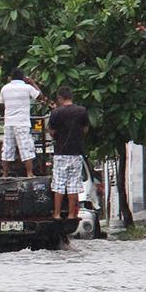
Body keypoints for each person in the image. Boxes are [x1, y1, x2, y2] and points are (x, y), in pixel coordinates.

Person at [48, 86, 89, 220]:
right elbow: (85, 130)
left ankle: (57, 214)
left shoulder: (56, 113)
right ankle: (72, 214)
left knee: (59, 185)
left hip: (60, 153)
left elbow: (52, 132)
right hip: (76, 153)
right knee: (73, 186)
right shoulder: (82, 111)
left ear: (60, 98)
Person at [0, 68, 42, 178]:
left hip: (8, 122)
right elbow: (40, 96)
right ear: (23, 78)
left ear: (11, 78)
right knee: (25, 148)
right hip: (22, 122)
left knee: (7, 148)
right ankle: (29, 173)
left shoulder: (5, 88)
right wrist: (32, 83)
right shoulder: (27, 88)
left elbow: (1, 104)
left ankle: (4, 174)